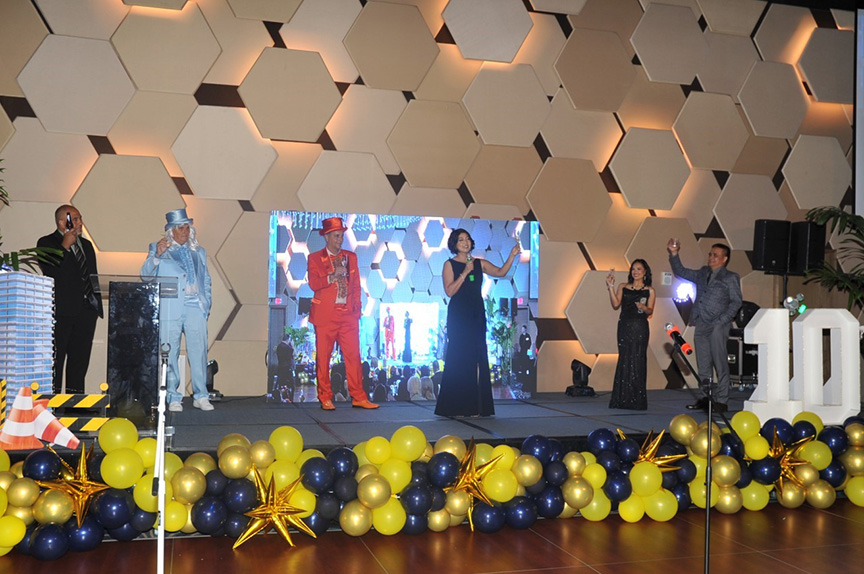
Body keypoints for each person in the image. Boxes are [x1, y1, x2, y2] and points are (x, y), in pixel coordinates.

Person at [435, 228, 520, 417]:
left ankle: (475, 407)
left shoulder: (479, 263)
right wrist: (465, 272)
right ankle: (455, 406)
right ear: (454, 245)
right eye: (460, 240)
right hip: (459, 316)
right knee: (458, 358)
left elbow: (500, 272)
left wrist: (512, 255)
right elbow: (450, 291)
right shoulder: (449, 264)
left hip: (476, 315)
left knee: (477, 358)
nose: (465, 243)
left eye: (467, 239)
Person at [140, 209, 213, 412]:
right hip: (171, 306)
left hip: (195, 305)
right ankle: (173, 396)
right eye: (181, 227)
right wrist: (156, 256)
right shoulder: (158, 248)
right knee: (169, 352)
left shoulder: (199, 251)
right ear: (171, 231)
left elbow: (205, 279)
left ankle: (201, 395)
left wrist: (205, 303)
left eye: (187, 226)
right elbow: (145, 276)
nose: (185, 231)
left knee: (198, 351)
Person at [307, 217, 379, 411]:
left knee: (354, 357)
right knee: (323, 358)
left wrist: (357, 309)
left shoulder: (351, 257)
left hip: (348, 315)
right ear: (327, 237)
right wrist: (332, 276)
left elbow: (356, 285)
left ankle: (358, 396)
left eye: (342, 236)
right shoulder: (315, 258)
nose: (340, 240)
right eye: (337, 236)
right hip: (325, 316)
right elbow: (314, 284)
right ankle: (325, 397)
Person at [667, 239, 742, 413]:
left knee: (720, 362)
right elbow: (681, 271)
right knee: (703, 363)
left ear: (724, 259)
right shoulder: (702, 272)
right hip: (701, 322)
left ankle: (722, 400)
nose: (711, 257)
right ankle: (706, 398)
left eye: (716, 255)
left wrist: (722, 320)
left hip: (718, 325)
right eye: (710, 254)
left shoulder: (731, 277)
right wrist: (674, 253)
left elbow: (736, 302)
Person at [37, 205, 103, 394]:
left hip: (86, 312)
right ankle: (54, 406)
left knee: (79, 362)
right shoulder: (47, 242)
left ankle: (75, 406)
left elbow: (92, 275)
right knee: (56, 362)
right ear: (61, 222)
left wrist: (96, 304)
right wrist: (65, 246)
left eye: (79, 218)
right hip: (62, 312)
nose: (79, 222)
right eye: (74, 219)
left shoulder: (87, 245)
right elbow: (51, 270)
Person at [606, 259, 655, 410]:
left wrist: (643, 306)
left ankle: (636, 400)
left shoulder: (650, 290)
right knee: (625, 358)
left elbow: (650, 311)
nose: (635, 272)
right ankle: (622, 399)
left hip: (640, 326)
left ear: (645, 272)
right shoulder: (623, 286)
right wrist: (611, 287)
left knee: (638, 359)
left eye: (639, 269)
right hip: (625, 326)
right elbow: (615, 305)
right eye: (633, 269)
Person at [275, 334, 296, 403]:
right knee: (291, 384)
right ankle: (290, 399)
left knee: (281, 383)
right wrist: (292, 345)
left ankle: (282, 398)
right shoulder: (287, 348)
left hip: (280, 367)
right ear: (288, 339)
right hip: (287, 368)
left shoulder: (279, 346)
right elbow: (294, 354)